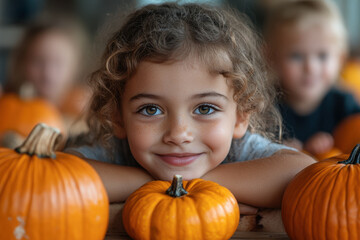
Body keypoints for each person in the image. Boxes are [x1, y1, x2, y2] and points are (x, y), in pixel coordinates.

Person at [65, 2, 314, 212]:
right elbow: (60, 176)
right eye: (150, 109)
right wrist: (156, 185)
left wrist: (189, 185)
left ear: (240, 117)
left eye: (204, 109)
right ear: (118, 118)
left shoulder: (239, 151)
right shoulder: (119, 152)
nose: (179, 134)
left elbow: (304, 174)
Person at [264, 0, 360, 156]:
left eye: (322, 56)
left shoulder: (344, 104)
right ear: (271, 58)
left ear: (340, 59)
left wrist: (329, 145)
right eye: (296, 56)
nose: (310, 67)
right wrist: (272, 149)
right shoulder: (265, 107)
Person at [4, 18, 91, 139]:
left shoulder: (85, 108)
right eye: (38, 61)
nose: (48, 74)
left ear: (75, 66)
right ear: (21, 63)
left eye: (58, 63)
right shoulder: (6, 104)